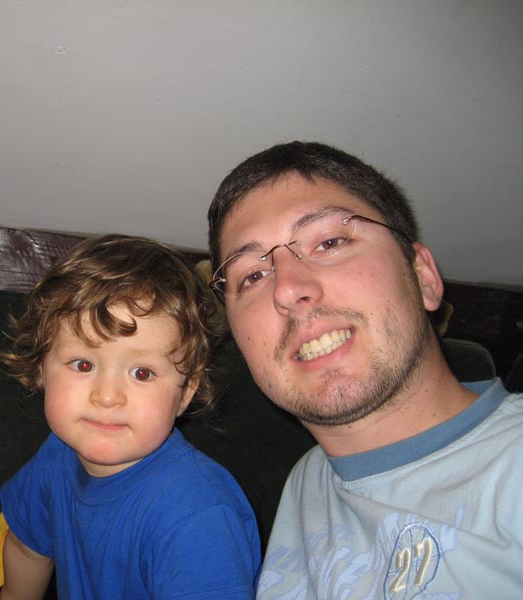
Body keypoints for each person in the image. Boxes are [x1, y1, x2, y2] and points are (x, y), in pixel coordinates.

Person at [207, 141, 523, 598]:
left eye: (330, 242)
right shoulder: (307, 482)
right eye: (252, 276)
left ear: (423, 277)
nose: (287, 290)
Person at [0, 234, 261, 599]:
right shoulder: (56, 456)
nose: (107, 396)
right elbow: (28, 549)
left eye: (142, 373)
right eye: (83, 364)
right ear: (42, 370)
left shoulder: (198, 517)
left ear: (185, 393)